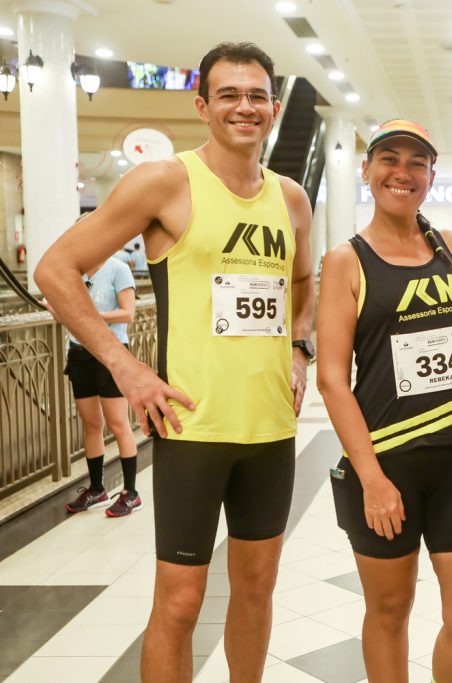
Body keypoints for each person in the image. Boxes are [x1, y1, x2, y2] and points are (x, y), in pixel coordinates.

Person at [35, 42, 314, 682]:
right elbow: (56, 269)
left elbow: (302, 285)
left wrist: (299, 348)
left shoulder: (292, 199)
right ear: (202, 106)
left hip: (271, 430)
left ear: (274, 107)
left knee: (255, 591)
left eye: (256, 95)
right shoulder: (166, 181)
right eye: (229, 95)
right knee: (181, 602)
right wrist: (126, 367)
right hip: (192, 430)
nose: (245, 107)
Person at [317, 119, 452, 683]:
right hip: (384, 463)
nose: (401, 172)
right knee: (388, 610)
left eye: (416, 163)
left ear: (431, 176)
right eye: (388, 159)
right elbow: (333, 378)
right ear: (367, 170)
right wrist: (371, 478)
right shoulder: (345, 261)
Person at [59, 255, 141, 517]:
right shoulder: (76, 270)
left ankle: (131, 493)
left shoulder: (118, 269)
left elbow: (128, 313)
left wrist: (93, 316)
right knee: (92, 424)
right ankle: (97, 489)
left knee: (118, 423)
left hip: (110, 352)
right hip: (79, 353)